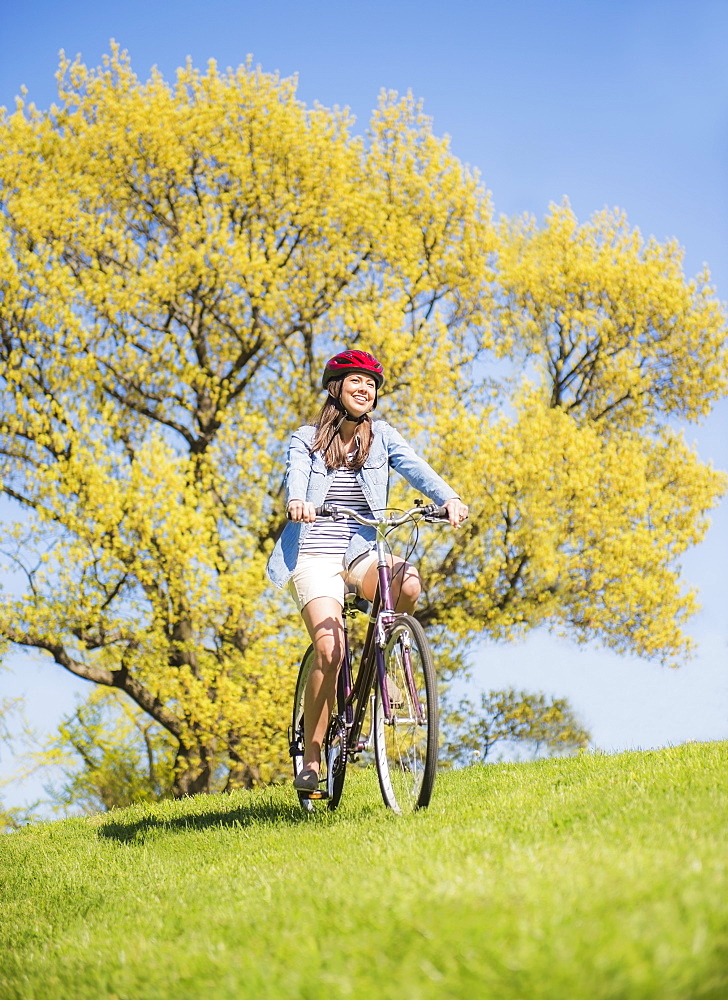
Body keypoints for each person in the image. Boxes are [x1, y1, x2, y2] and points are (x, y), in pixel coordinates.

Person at [266, 349, 468, 792]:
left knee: (408, 581)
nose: (365, 390)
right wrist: (298, 500)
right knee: (330, 650)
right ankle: (314, 758)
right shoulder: (305, 440)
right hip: (314, 556)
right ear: (336, 390)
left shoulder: (384, 437)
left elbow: (417, 468)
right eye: (356, 381)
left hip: (360, 550)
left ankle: (387, 672)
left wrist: (448, 498)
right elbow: (296, 474)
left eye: (371, 384)